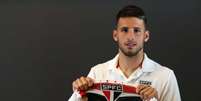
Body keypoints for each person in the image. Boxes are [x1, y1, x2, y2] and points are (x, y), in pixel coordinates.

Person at [68, 5, 181, 101]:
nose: (130, 37)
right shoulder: (97, 73)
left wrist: (153, 99)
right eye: (124, 30)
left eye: (136, 31)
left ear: (146, 36)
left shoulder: (165, 76)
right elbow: (80, 97)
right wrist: (79, 93)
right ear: (115, 35)